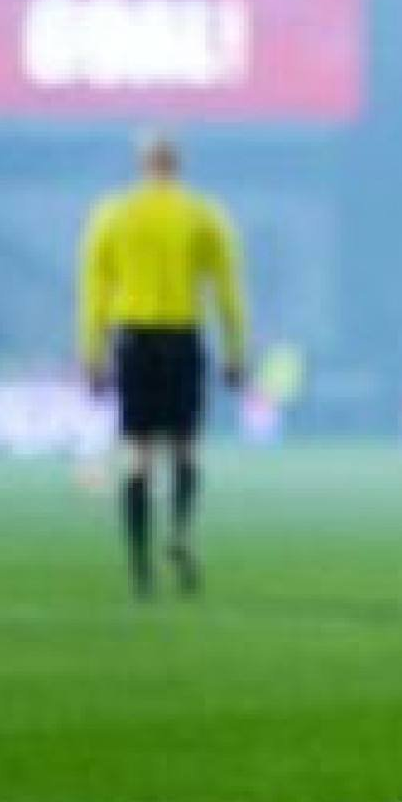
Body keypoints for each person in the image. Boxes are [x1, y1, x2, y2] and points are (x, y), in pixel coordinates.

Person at [77, 133, 248, 597]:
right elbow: (227, 288)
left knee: (138, 457)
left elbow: (95, 291)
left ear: (142, 165)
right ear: (179, 164)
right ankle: (179, 532)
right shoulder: (201, 213)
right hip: (182, 337)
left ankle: (140, 568)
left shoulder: (114, 214)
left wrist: (92, 354)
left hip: (133, 339)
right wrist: (236, 350)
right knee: (187, 450)